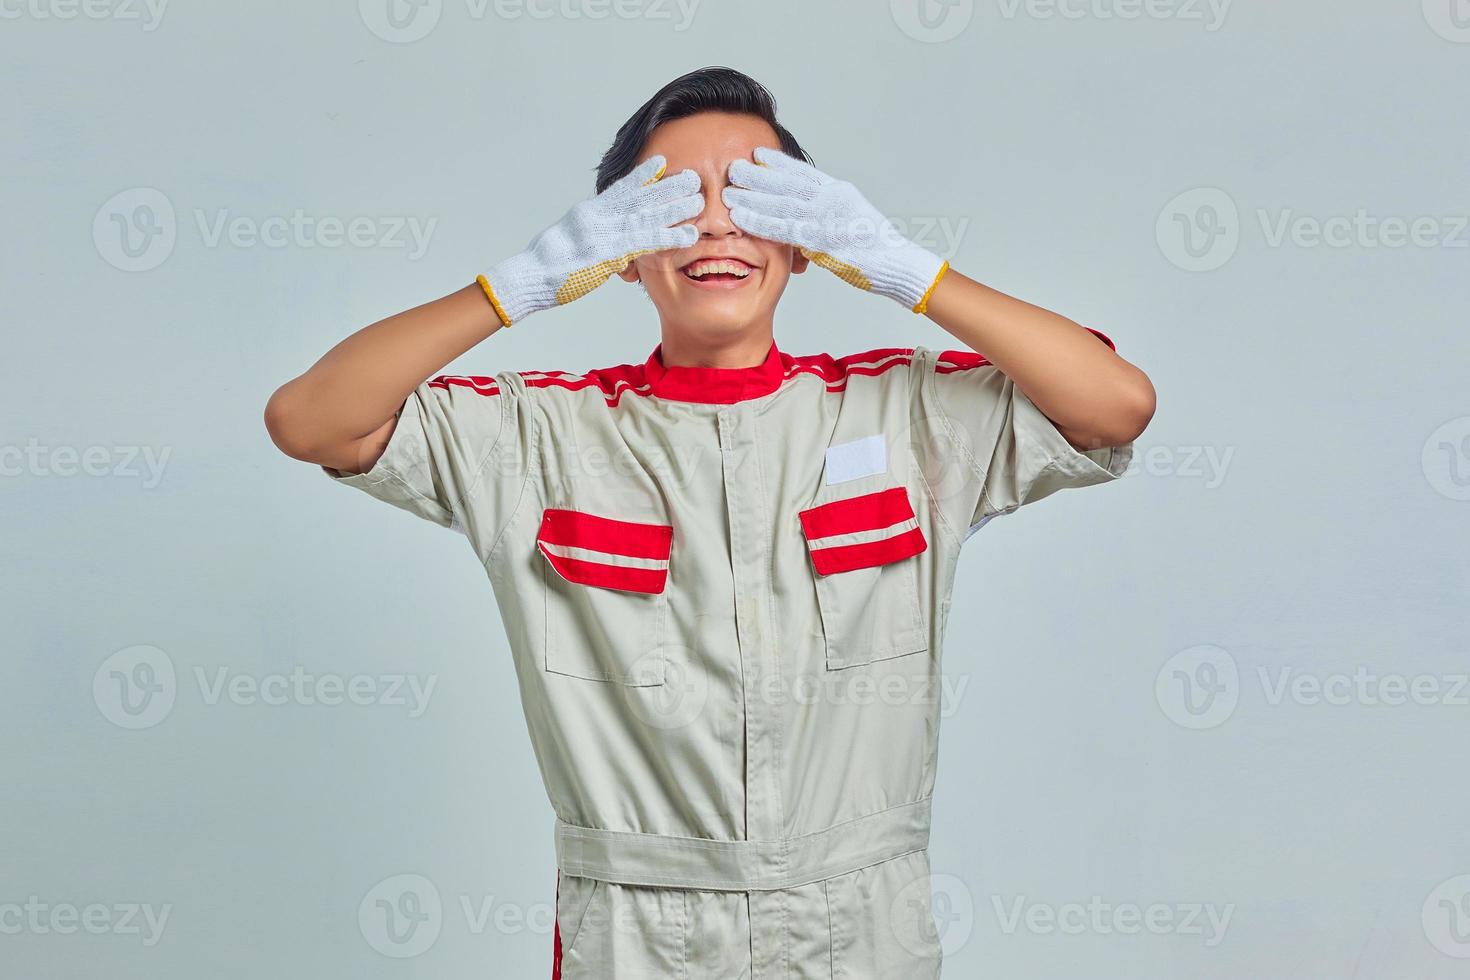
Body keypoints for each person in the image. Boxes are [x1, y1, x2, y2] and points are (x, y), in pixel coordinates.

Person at [264, 65, 1155, 980]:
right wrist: (520, 285)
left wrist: (906, 270)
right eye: (676, 201)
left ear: (812, 237)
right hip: (638, 930)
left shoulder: (905, 417)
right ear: (619, 246)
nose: (719, 223)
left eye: (758, 196)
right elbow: (312, 421)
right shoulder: (537, 438)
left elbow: (1113, 407)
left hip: (861, 924)